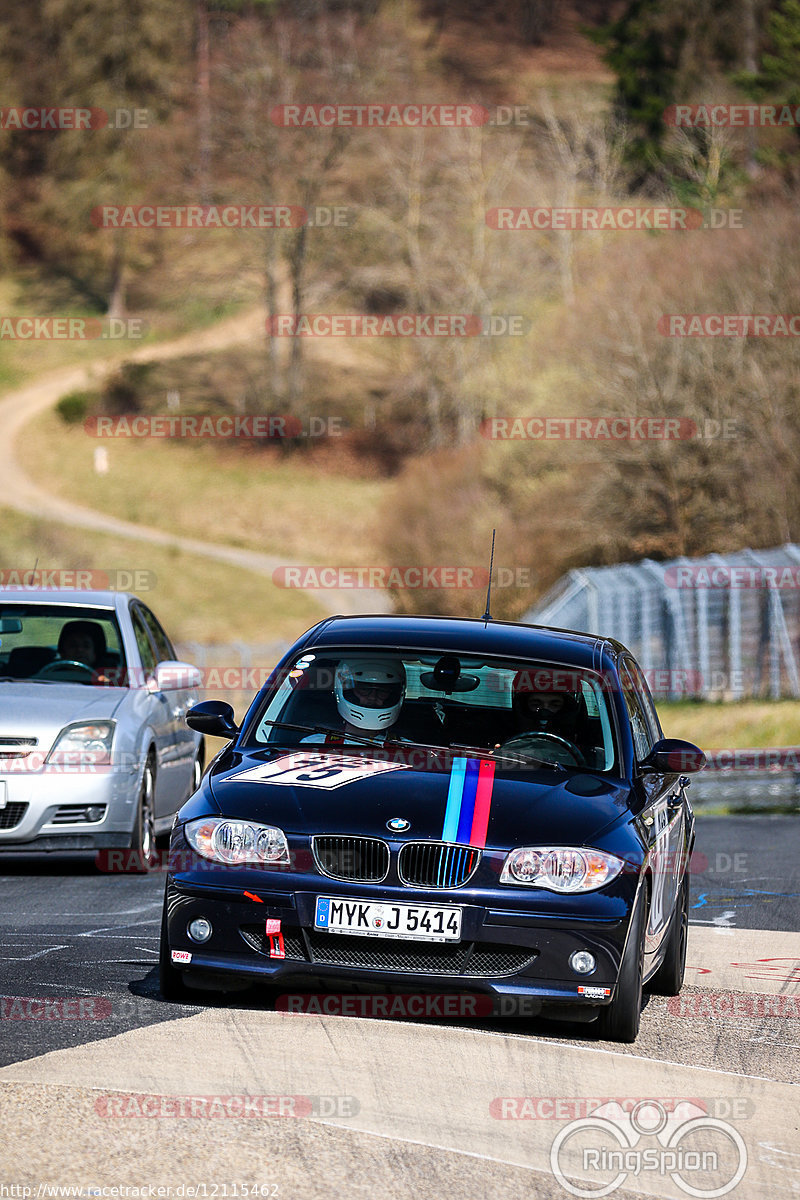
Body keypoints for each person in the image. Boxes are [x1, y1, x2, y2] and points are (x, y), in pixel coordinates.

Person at [301, 658, 406, 744]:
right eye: (364, 689)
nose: (373, 697)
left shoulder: (409, 750)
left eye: (383, 691)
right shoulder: (313, 746)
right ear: (345, 690)